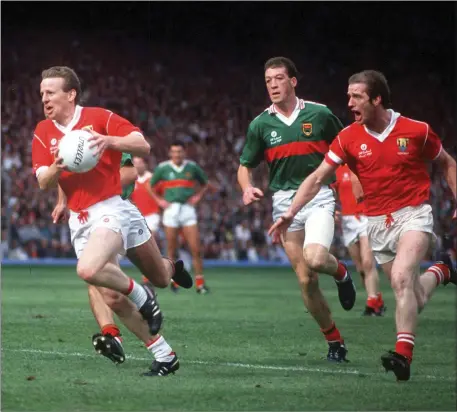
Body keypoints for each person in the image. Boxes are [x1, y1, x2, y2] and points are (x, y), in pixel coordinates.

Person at [269, 70, 457, 381]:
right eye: (348, 96)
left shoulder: (416, 130)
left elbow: (448, 162)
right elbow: (317, 177)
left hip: (414, 215)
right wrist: (292, 211)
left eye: (356, 96)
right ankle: (442, 271)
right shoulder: (348, 138)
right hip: (376, 223)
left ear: (376, 99)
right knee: (412, 295)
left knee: (399, 280)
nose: (349, 102)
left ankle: (402, 356)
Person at [32, 66, 192, 376]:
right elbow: (42, 181)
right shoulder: (43, 131)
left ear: (70, 93)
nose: (44, 99)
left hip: (113, 207)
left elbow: (142, 145)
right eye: (41, 94)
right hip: (80, 220)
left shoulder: (100, 117)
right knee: (112, 294)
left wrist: (108, 141)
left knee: (90, 270)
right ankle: (165, 355)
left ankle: (145, 295)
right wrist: (56, 168)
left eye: (50, 92)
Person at [237, 56, 356, 363]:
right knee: (306, 280)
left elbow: (346, 147)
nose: (273, 85)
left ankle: (342, 273)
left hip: (318, 196)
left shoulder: (320, 114)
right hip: (283, 204)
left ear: (293, 81)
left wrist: (353, 178)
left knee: (315, 259)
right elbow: (245, 166)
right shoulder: (260, 124)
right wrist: (246, 187)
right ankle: (334, 341)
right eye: (268, 81)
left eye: (278, 78)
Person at [52, 153, 185, 376]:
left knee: (160, 278)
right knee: (98, 279)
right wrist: (62, 201)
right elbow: (64, 174)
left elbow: (129, 173)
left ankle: (171, 268)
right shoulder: (61, 138)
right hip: (83, 217)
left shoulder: (100, 129)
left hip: (116, 210)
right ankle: (156, 351)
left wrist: (95, 187)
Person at [148, 141, 211, 294]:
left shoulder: (192, 167)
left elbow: (205, 183)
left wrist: (198, 197)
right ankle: (174, 281)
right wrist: (159, 200)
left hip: (187, 209)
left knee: (195, 248)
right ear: (170, 153)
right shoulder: (163, 168)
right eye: (174, 152)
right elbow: (149, 185)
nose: (177, 155)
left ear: (184, 153)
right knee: (171, 249)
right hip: (171, 209)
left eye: (179, 152)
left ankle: (200, 284)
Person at [333, 164, 386, 315]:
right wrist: (333, 210)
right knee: (361, 269)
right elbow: (332, 193)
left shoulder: (365, 165)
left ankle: (372, 303)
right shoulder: (338, 169)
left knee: (368, 262)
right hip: (347, 221)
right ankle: (377, 299)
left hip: (366, 217)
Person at [131, 156, 161, 236]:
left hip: (152, 216)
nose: (137, 165)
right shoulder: (130, 181)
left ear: (145, 164)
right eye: (135, 163)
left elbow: (162, 196)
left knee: (151, 239)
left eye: (140, 163)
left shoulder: (153, 179)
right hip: (137, 217)